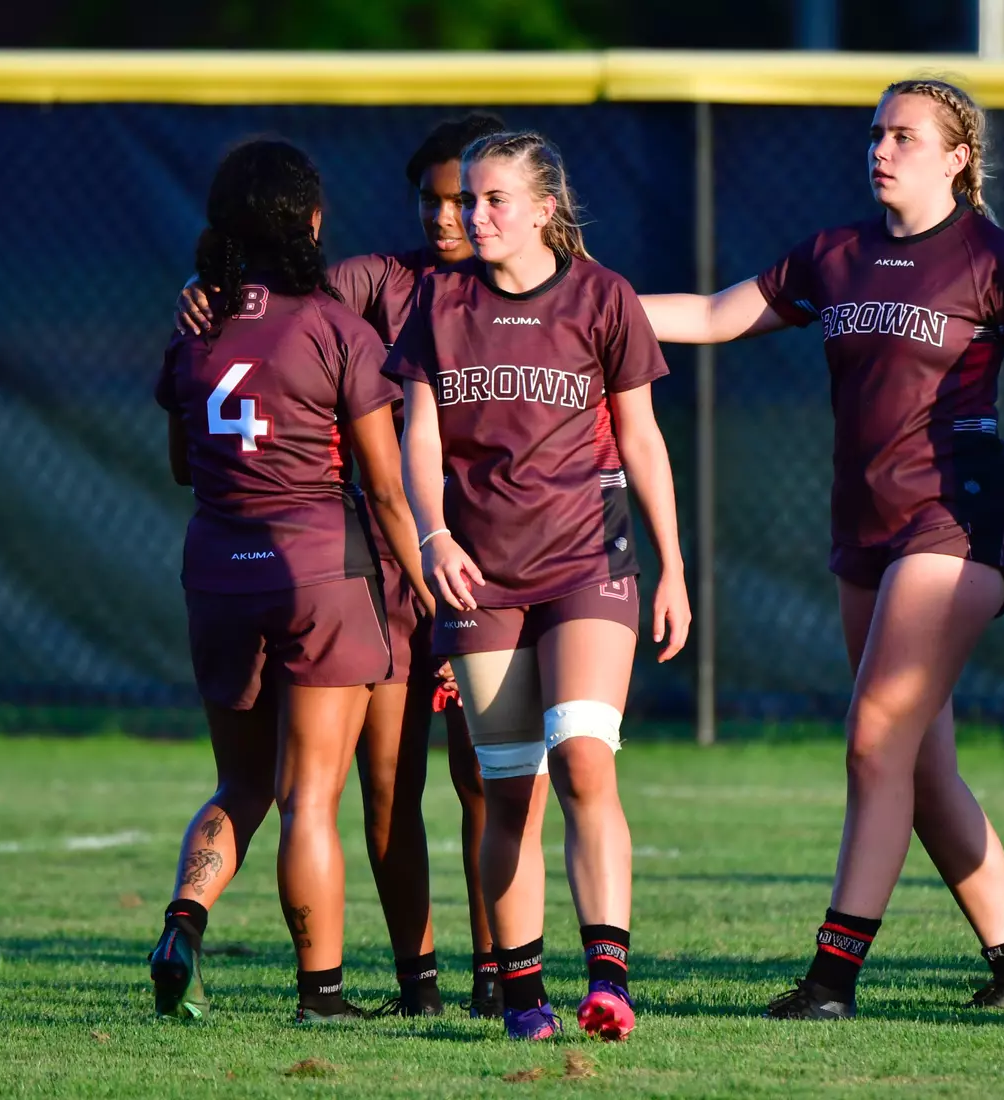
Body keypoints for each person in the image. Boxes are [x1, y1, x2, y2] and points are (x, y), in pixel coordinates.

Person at [638, 77, 1004, 1019]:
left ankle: (833, 979)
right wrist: (579, 306)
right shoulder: (835, 254)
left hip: (956, 523)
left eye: (905, 137)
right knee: (919, 766)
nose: (881, 150)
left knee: (875, 739)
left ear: (958, 158)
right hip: (868, 528)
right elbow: (717, 316)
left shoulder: (993, 259)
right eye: (876, 134)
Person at [176, 113, 509, 1017]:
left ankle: (499, 974)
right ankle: (419, 983)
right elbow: (276, 299)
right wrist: (203, 291)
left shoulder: (548, 290)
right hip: (393, 568)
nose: (449, 217)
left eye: (471, 199)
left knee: (488, 774)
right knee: (388, 786)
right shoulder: (378, 282)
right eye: (433, 199)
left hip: (500, 559)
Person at [385, 130, 689, 1042]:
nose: (471, 216)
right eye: (465, 200)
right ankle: (523, 997)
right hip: (481, 573)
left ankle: (609, 981)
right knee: (508, 788)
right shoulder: (439, 301)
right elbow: (419, 438)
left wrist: (674, 567)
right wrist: (434, 536)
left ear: (545, 209)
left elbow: (641, 439)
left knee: (584, 759)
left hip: (590, 559)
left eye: (493, 200)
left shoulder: (603, 296)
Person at [150, 138, 427, 1023]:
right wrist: (425, 583)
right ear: (310, 221)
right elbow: (386, 488)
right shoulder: (337, 329)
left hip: (215, 571)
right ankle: (322, 995)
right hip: (318, 572)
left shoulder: (194, 329)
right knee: (310, 797)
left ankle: (183, 923)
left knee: (240, 785)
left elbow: (183, 466)